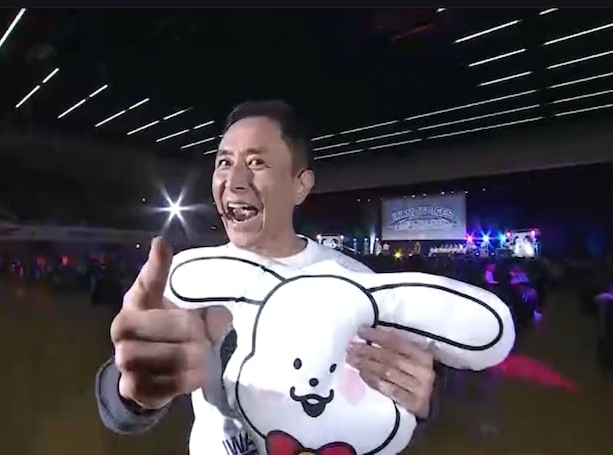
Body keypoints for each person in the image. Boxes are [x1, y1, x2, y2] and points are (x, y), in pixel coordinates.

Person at [95, 101, 440, 454]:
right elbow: (120, 403)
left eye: (257, 163)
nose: (234, 181)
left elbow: (388, 417)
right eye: (224, 163)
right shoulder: (191, 276)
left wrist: (415, 403)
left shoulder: (355, 284)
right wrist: (131, 391)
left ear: (300, 186)